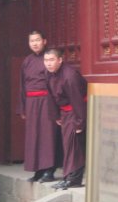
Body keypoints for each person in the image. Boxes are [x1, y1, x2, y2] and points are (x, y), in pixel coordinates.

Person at [17, 30, 61, 182]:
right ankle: (38, 169)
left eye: (37, 40)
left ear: (44, 41)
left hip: (47, 101)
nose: (34, 43)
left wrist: (57, 105)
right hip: (31, 102)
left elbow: (56, 82)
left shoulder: (49, 59)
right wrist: (22, 107)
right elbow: (22, 85)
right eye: (31, 41)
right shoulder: (27, 61)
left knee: (48, 136)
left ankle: (49, 169)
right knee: (34, 136)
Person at [44, 48, 87, 190]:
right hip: (64, 113)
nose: (48, 64)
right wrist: (55, 115)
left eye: (51, 60)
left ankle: (74, 179)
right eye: (46, 60)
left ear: (60, 60)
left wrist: (80, 122)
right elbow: (51, 96)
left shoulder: (70, 76)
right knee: (67, 145)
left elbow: (77, 100)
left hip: (75, 112)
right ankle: (68, 177)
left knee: (74, 145)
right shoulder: (49, 74)